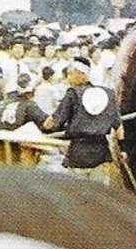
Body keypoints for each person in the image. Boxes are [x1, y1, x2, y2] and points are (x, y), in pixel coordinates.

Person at [44, 56, 121, 186]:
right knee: (100, 198)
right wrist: (122, 149)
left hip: (78, 153)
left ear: (81, 74)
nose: (68, 77)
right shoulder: (108, 94)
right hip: (101, 153)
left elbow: (53, 123)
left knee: (78, 199)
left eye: (70, 73)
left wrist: (43, 125)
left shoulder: (73, 94)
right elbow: (119, 129)